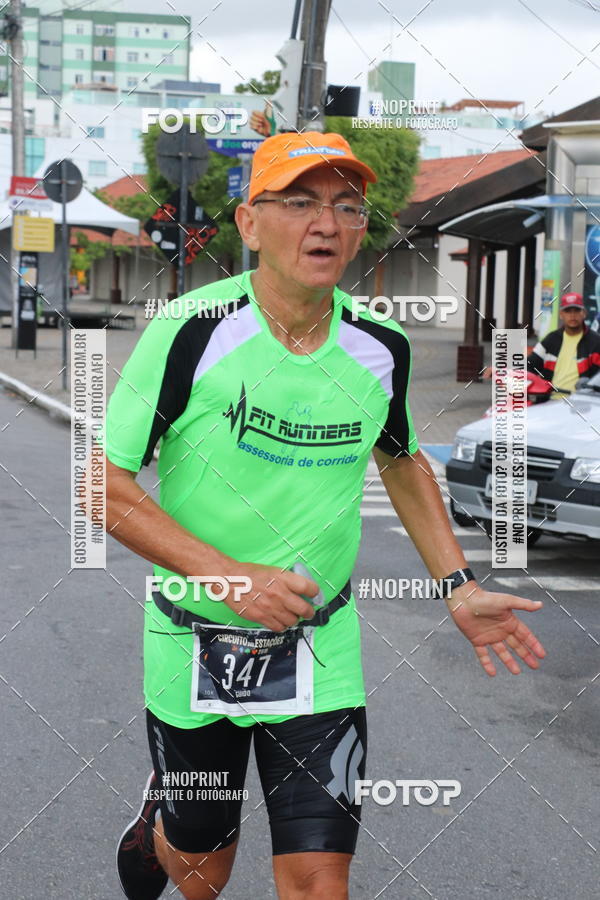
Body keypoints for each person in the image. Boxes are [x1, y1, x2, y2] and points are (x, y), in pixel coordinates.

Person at [104, 131, 546, 900]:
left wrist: (460, 585)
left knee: (319, 879)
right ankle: (166, 822)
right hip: (194, 636)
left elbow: (402, 458)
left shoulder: (382, 344)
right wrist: (230, 578)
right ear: (249, 223)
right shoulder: (189, 332)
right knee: (204, 869)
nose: (327, 224)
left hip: (319, 647)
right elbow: (104, 487)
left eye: (347, 207)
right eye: (301, 202)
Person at [527, 292, 600, 398]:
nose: (572, 315)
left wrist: (590, 384)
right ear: (561, 314)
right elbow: (528, 365)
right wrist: (500, 372)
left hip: (582, 405)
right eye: (568, 311)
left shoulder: (596, 342)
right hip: (548, 404)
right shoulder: (550, 339)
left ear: (584, 313)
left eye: (576, 310)